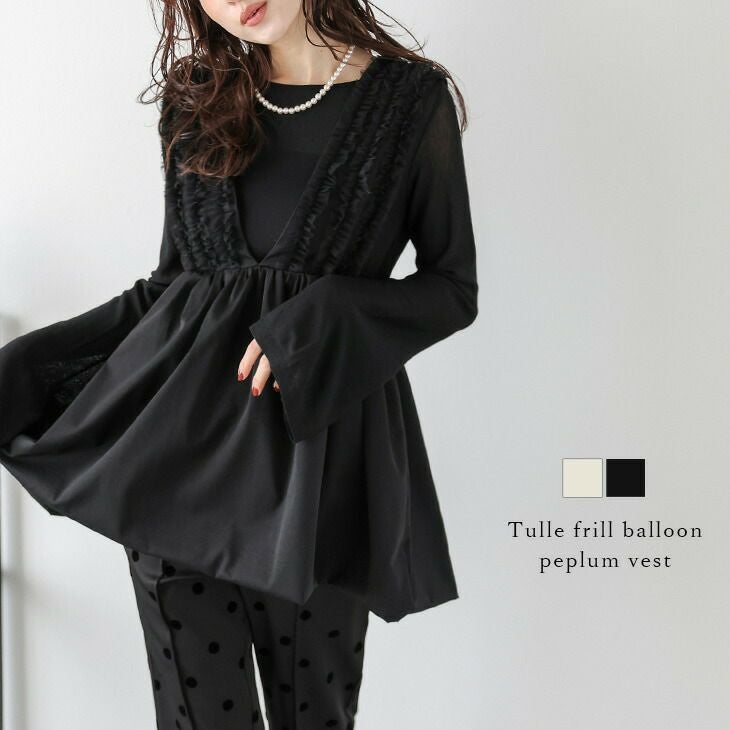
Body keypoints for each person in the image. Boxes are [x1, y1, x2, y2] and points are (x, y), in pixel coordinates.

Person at [0, 0, 479, 726]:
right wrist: (22, 370)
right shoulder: (194, 101)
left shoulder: (410, 103)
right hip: (176, 479)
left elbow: (451, 289)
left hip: (319, 481)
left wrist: (328, 314)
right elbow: (171, 292)